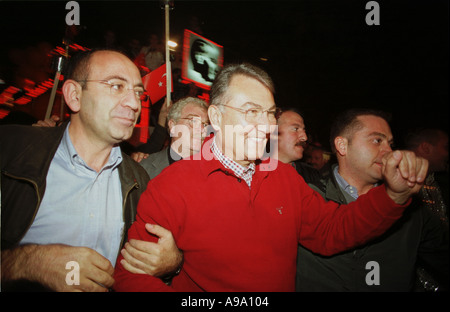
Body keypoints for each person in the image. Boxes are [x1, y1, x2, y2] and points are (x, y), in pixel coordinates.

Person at [113, 63, 428, 292]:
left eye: (269, 114)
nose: (265, 126)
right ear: (217, 117)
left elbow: (333, 231)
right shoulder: (173, 184)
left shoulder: (283, 178)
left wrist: (393, 196)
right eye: (251, 112)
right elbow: (132, 276)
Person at [1, 49, 180, 292]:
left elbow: (141, 271)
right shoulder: (11, 150)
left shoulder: (139, 182)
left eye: (138, 92)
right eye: (116, 86)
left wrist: (172, 262)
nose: (134, 103)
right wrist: (26, 263)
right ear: (75, 95)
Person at [296, 109, 448, 292]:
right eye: (377, 140)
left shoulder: (412, 209)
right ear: (342, 146)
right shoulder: (307, 196)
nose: (388, 151)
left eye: (390, 143)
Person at [404, 128, 449, 291]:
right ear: (426, 148)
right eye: (445, 147)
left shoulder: (440, 184)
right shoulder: (398, 187)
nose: (447, 153)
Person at [138, 96, 209, 179]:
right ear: (173, 126)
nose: (202, 129)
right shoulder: (145, 168)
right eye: (193, 121)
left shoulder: (212, 173)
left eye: (205, 125)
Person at [272, 107, 322, 185]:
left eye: (304, 130)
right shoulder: (254, 174)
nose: (305, 137)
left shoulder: (312, 176)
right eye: (295, 129)